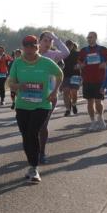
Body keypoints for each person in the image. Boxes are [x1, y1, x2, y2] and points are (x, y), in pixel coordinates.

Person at [7, 35, 63, 184]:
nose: (30, 49)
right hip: (23, 105)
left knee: (33, 133)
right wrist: (19, 87)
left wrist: (54, 91)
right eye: (27, 46)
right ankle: (31, 165)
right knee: (26, 136)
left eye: (33, 45)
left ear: (37, 46)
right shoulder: (17, 63)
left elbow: (60, 74)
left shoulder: (46, 62)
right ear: (23, 47)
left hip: (42, 105)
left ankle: (34, 167)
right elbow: (10, 83)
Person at [36, 31, 68, 163]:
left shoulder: (53, 55)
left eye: (50, 41)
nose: (48, 43)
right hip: (33, 94)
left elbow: (66, 53)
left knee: (43, 124)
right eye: (45, 40)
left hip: (50, 94)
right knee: (32, 126)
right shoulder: (32, 55)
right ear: (39, 41)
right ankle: (34, 149)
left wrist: (55, 37)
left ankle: (41, 153)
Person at [78, 31, 107, 130]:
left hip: (99, 79)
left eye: (91, 37)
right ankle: (92, 121)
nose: (89, 39)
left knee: (98, 101)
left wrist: (105, 64)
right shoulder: (83, 50)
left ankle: (100, 118)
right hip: (87, 79)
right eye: (88, 37)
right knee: (89, 102)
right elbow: (79, 62)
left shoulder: (103, 49)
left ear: (95, 38)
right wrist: (81, 65)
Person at [60, 39, 81, 116]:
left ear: (72, 45)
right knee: (66, 92)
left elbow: (82, 62)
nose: (68, 46)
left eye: (70, 45)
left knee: (74, 92)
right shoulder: (63, 54)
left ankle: (74, 104)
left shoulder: (77, 53)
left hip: (75, 75)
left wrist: (79, 65)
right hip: (65, 75)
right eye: (67, 45)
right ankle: (68, 109)